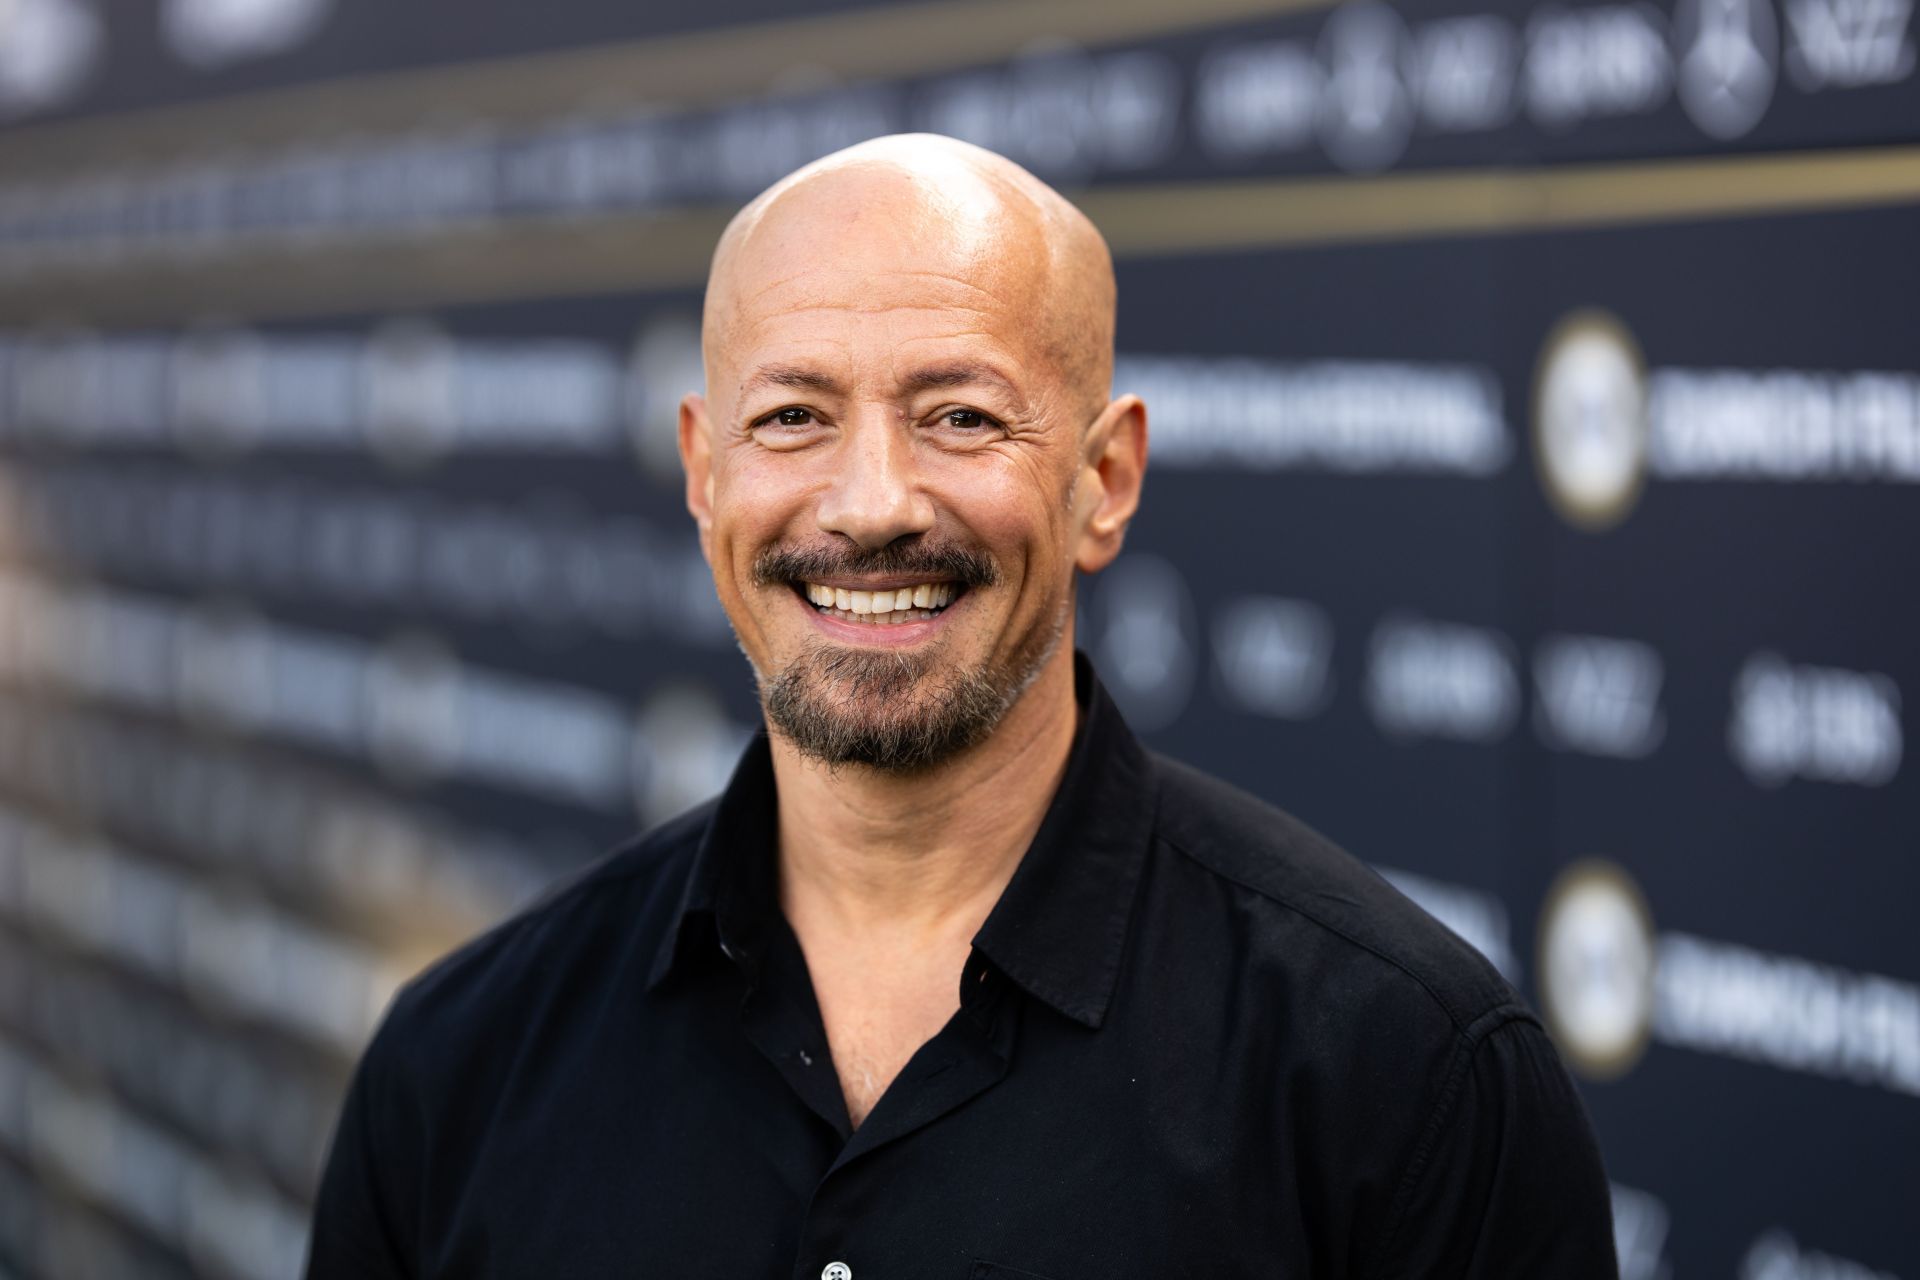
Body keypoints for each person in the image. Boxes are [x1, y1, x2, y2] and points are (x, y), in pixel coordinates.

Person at [306, 134, 1617, 1278]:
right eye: (794, 417)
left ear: (1106, 480)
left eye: (961, 417)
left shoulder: (1406, 1079)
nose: (872, 504)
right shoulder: (456, 1069)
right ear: (705, 475)